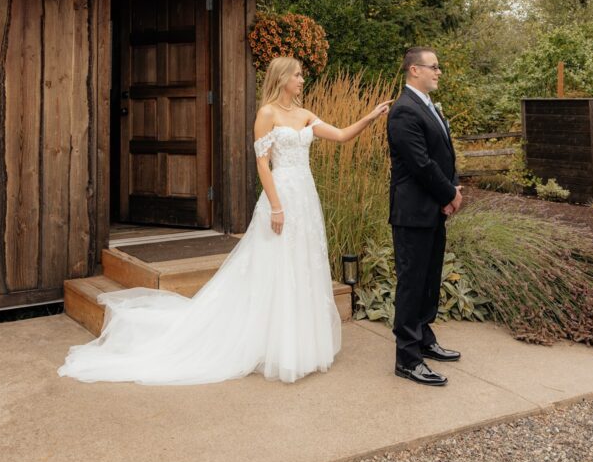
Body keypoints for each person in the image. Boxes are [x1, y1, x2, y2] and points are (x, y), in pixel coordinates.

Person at [58, 56, 390, 386]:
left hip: (306, 197)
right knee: (274, 267)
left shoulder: (305, 115)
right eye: (298, 75)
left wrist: (370, 117)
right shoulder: (267, 114)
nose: (302, 80)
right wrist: (276, 206)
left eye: (302, 75)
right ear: (283, 78)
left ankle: (298, 345)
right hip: (282, 194)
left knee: (301, 265)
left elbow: (343, 135)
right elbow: (263, 165)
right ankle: (268, 344)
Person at [386, 47, 463, 387]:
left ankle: (424, 337)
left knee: (430, 279)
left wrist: (451, 191)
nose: (439, 72)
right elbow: (420, 164)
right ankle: (407, 357)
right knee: (412, 282)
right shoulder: (403, 111)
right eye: (434, 67)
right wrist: (449, 194)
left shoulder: (428, 106)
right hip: (413, 212)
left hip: (432, 208)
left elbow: (444, 156)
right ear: (414, 70)